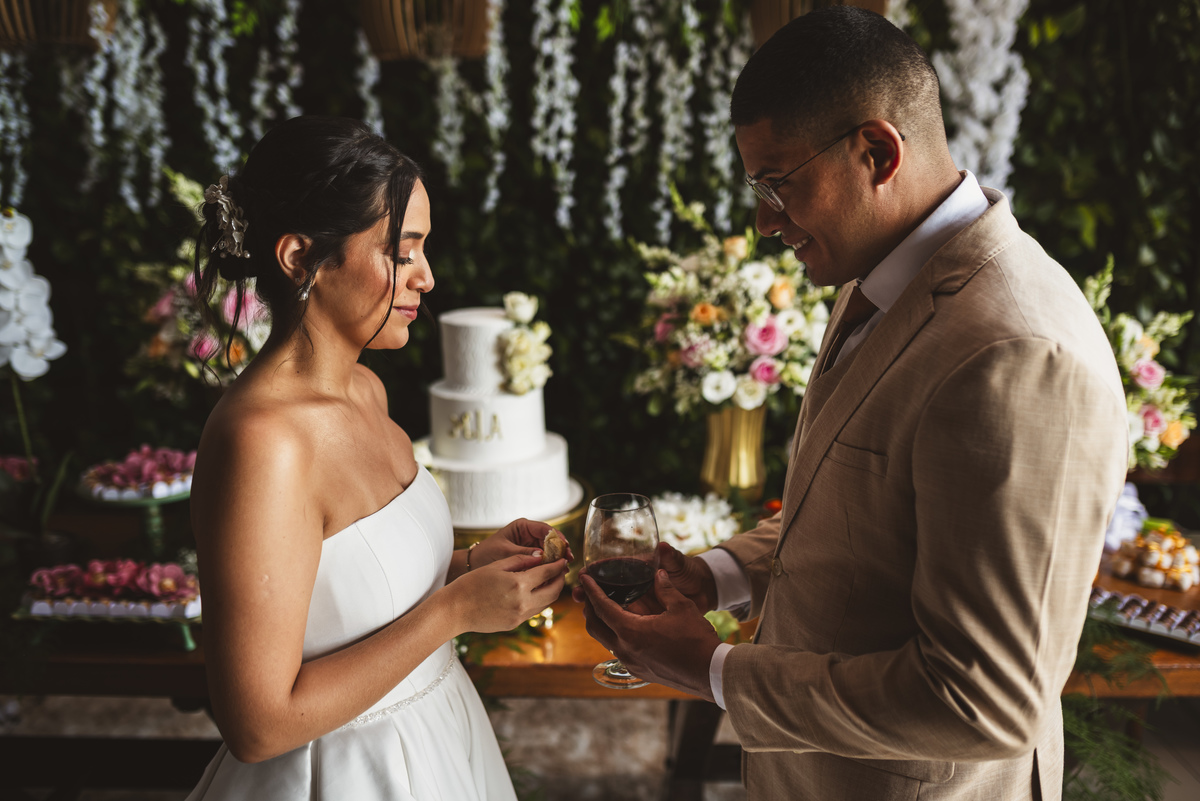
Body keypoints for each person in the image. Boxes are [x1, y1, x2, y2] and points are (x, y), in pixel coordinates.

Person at [576, 8, 1127, 800]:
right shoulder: (876, 269)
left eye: (778, 184)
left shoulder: (1017, 353)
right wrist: (716, 576)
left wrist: (711, 667)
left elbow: (984, 703)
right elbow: (854, 509)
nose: (766, 222)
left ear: (876, 151)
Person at [185, 116, 568, 800]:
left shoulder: (367, 389)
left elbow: (348, 594)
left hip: (441, 737)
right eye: (402, 250)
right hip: (343, 773)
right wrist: (454, 612)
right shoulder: (261, 444)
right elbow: (258, 723)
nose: (426, 276)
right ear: (300, 257)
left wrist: (472, 567)